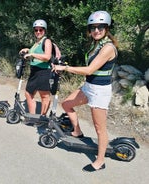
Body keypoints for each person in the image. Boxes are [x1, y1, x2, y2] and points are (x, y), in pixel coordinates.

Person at [52, 11, 118, 172]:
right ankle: (77, 131)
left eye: (100, 27)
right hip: (88, 86)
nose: (96, 30)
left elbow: (89, 70)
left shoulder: (108, 47)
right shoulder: (96, 44)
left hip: (99, 91)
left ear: (107, 28)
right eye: (93, 27)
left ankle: (100, 161)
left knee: (99, 127)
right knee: (66, 104)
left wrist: (65, 68)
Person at [19, 19, 53, 120]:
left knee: (44, 96)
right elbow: (37, 52)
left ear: (44, 30)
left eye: (40, 30)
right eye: (36, 30)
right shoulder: (37, 42)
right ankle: (32, 117)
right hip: (34, 71)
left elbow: (47, 56)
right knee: (28, 93)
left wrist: (32, 54)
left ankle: (42, 118)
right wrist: (27, 50)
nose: (38, 32)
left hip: (44, 71)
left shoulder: (47, 41)